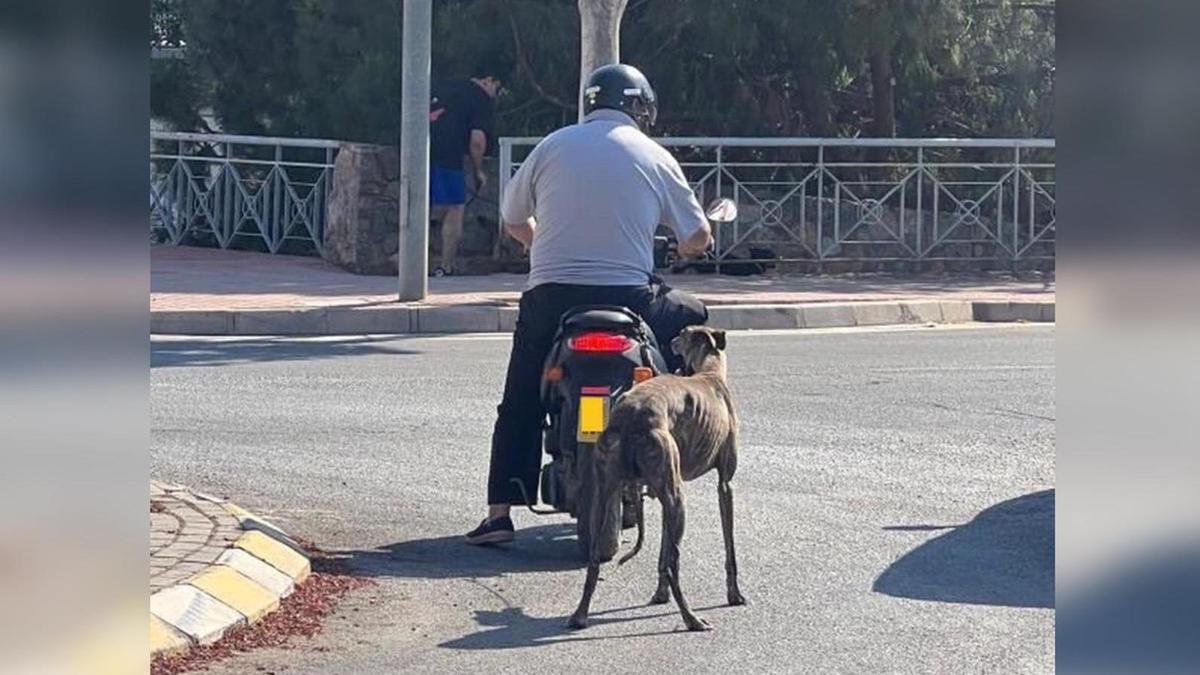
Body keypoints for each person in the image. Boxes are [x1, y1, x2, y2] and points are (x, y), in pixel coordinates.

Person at [466, 64, 715, 545]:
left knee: (520, 398)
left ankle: (499, 513)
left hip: (552, 297)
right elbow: (697, 235)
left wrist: (539, 242)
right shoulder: (654, 155)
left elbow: (513, 218)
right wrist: (688, 247)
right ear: (641, 107)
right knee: (694, 316)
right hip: (631, 299)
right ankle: (672, 444)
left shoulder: (552, 145)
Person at [429, 65, 501, 276]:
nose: (495, 94)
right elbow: (477, 141)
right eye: (497, 88)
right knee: (454, 207)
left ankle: (406, 258)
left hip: (418, 150)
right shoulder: (480, 98)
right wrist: (478, 171)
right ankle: (445, 266)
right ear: (489, 80)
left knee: (421, 204)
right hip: (448, 154)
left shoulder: (447, 86)